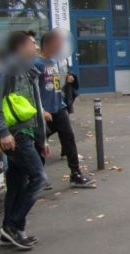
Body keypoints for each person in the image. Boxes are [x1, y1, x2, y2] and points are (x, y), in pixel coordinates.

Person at [0, 31, 48, 250]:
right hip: (15, 136)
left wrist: (42, 139)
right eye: (32, 44)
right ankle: (14, 226)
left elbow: (34, 108)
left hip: (26, 135)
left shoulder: (28, 71)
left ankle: (9, 231)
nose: (36, 48)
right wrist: (3, 132)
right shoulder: (7, 70)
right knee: (39, 177)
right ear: (21, 47)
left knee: (15, 184)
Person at [35, 29, 95, 189]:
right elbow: (32, 90)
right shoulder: (36, 64)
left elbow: (54, 85)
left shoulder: (54, 62)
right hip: (43, 112)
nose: (61, 46)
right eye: (58, 43)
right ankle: (38, 177)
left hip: (59, 108)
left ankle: (75, 174)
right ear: (48, 44)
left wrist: (65, 80)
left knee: (68, 139)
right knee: (39, 144)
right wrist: (40, 109)